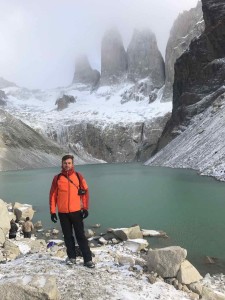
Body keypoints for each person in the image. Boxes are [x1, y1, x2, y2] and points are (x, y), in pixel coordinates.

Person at [49, 154, 95, 268]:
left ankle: (88, 259)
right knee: (67, 236)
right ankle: (72, 257)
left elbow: (85, 192)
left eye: (69, 163)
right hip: (63, 213)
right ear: (62, 164)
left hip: (76, 211)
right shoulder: (57, 178)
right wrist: (52, 211)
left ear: (72, 164)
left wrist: (85, 208)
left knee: (81, 236)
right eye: (65, 163)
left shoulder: (79, 176)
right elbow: (53, 195)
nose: (67, 165)